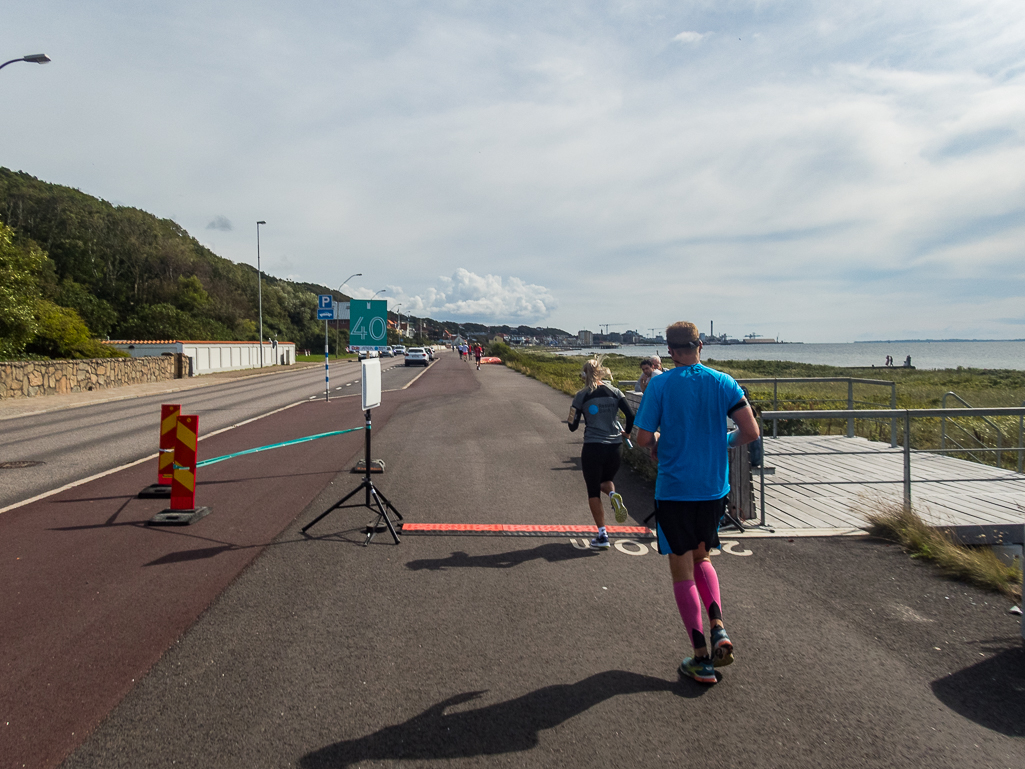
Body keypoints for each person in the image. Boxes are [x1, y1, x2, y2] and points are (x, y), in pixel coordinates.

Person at [634, 322, 760, 685]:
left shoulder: (659, 383)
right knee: (703, 556)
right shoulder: (724, 382)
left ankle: (701, 658)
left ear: (670, 351)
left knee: (681, 568)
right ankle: (719, 626)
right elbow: (749, 433)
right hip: (712, 489)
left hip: (675, 489)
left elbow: (642, 438)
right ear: (700, 345)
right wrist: (720, 443)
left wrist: (658, 438)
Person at [567, 356, 635, 550]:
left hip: (593, 446)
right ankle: (613, 494)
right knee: (605, 480)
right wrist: (627, 432)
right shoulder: (615, 391)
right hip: (615, 447)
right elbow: (630, 415)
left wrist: (578, 414)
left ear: (584, 374)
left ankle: (602, 534)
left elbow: (572, 426)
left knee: (593, 490)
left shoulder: (581, 395)